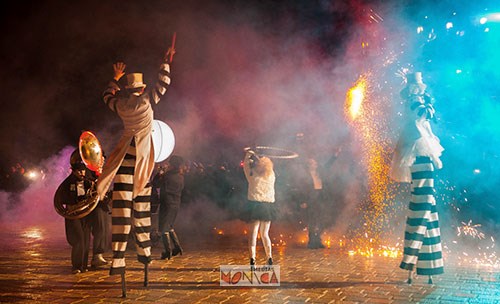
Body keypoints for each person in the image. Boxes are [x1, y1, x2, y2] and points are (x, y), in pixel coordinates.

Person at [96, 46, 175, 277]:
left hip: (123, 163)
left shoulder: (121, 105)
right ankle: (144, 253)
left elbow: (107, 96)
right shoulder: (148, 100)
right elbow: (164, 82)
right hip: (140, 164)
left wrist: (115, 79)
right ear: (142, 89)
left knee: (121, 213)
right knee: (140, 210)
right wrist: (166, 60)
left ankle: (118, 259)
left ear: (128, 90)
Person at [390, 72, 444, 284]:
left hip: (423, 157)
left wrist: (429, 104)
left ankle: (425, 266)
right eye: (418, 88)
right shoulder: (414, 104)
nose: (421, 90)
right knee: (423, 208)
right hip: (419, 158)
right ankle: (413, 263)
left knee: (427, 211)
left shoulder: (416, 102)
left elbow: (427, 118)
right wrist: (428, 104)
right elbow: (424, 113)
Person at [54, 151, 93, 274]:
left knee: (86, 239)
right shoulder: (67, 183)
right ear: (74, 171)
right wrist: (73, 205)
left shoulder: (88, 182)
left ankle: (83, 265)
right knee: (78, 239)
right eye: (79, 171)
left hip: (86, 214)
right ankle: (76, 266)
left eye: (83, 171)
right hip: (73, 214)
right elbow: (61, 198)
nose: (82, 173)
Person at [242, 148, 277, 267]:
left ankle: (252, 260)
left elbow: (246, 165)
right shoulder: (271, 175)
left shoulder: (252, 175)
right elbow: (265, 165)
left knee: (253, 234)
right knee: (265, 234)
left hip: (255, 205)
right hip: (267, 206)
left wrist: (249, 153)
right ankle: (269, 257)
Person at [299, 150, 340, 249]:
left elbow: (327, 165)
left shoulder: (320, 172)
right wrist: (303, 201)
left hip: (320, 196)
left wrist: (334, 156)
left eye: (315, 163)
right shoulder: (305, 175)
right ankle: (312, 241)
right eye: (312, 163)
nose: (315, 164)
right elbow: (301, 189)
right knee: (312, 220)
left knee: (321, 219)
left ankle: (318, 240)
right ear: (308, 165)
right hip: (311, 197)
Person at [152, 155, 185, 260]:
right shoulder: (181, 176)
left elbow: (156, 184)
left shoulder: (167, 176)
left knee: (163, 228)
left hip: (166, 203)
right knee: (169, 226)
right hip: (176, 204)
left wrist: (160, 174)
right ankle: (177, 247)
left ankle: (167, 251)